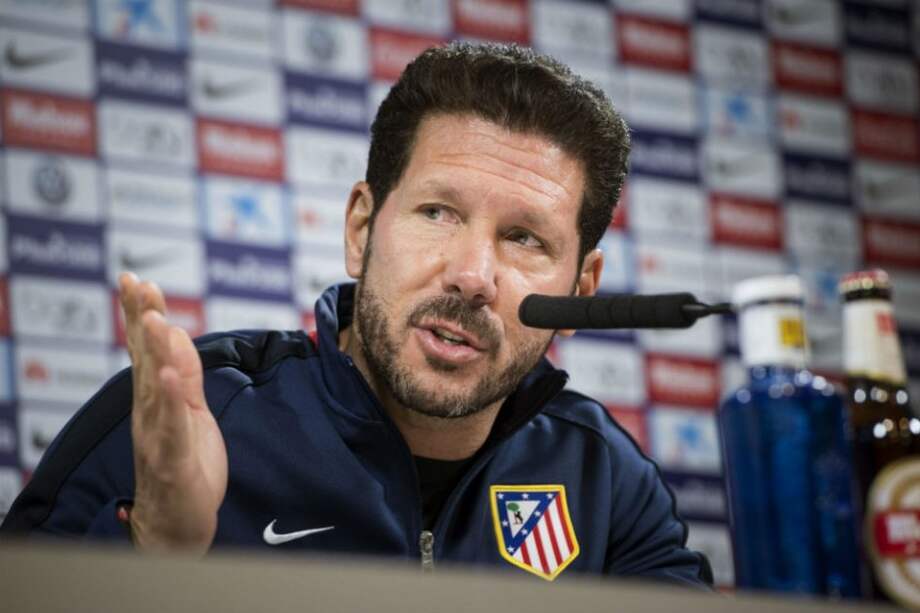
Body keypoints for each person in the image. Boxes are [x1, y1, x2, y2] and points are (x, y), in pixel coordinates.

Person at [2, 42, 712, 586]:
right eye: (438, 212)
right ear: (361, 229)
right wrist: (150, 548)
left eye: (525, 239)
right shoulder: (185, 415)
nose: (472, 276)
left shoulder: (607, 480)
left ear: (581, 291)